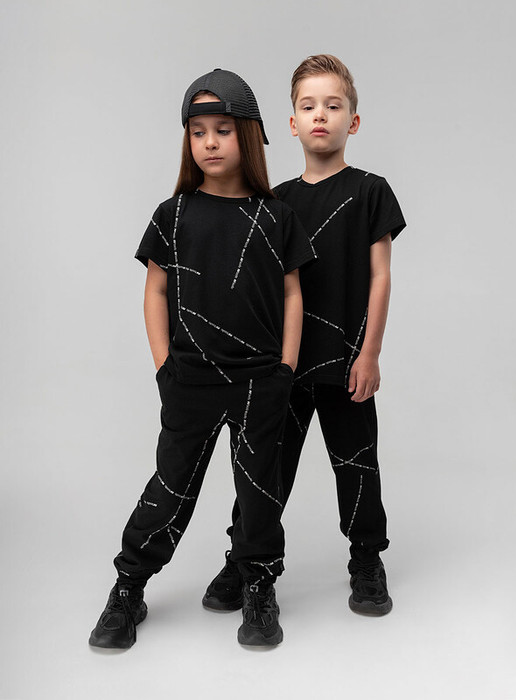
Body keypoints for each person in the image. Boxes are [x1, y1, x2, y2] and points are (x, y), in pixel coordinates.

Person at [88, 68, 316, 650]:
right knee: (170, 488)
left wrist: (285, 370)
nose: (209, 142)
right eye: (197, 132)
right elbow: (155, 291)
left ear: (249, 135)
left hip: (261, 381)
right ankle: (128, 586)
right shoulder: (173, 214)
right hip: (189, 379)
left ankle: (258, 584)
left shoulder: (277, 217)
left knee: (259, 493)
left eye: (222, 130)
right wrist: (164, 366)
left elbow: (292, 294)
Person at [204, 55, 406, 616]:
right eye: (308, 106)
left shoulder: (370, 192)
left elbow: (381, 277)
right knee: (265, 466)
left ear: (352, 121)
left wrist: (370, 353)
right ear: (292, 123)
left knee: (357, 463)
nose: (321, 115)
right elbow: (260, 285)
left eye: (333, 106)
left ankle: (366, 559)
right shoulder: (276, 201)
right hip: (283, 364)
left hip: (346, 360)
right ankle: (243, 558)